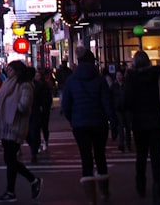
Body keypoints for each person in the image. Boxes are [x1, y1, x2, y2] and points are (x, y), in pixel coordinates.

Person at [0, 60, 42, 203]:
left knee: (10, 158)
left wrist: (8, 104)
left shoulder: (25, 85)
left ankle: (32, 180)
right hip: (5, 125)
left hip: (16, 126)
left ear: (18, 71)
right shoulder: (7, 84)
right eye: (8, 70)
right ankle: (11, 191)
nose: (8, 72)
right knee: (10, 159)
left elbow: (24, 106)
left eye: (11, 70)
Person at [61, 47, 114, 204]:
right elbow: (107, 103)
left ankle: (91, 199)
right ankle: (104, 192)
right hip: (99, 123)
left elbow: (66, 106)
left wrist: (73, 120)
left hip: (80, 124)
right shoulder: (99, 80)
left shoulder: (71, 80)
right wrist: (112, 120)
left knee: (86, 157)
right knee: (100, 155)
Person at [124, 50, 160, 205]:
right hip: (158, 122)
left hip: (140, 123)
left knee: (141, 155)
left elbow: (126, 101)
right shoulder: (158, 76)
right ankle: (158, 189)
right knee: (156, 157)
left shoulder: (132, 79)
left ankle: (141, 184)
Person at [27, 68, 53, 164]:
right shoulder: (30, 85)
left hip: (39, 111)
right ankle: (35, 147)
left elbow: (47, 98)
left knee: (37, 130)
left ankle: (36, 149)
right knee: (32, 132)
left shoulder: (42, 85)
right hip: (34, 111)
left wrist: (44, 108)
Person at [112, 69, 133, 152]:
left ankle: (128, 144)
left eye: (120, 75)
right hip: (118, 109)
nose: (118, 77)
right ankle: (122, 144)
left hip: (126, 108)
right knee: (120, 127)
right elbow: (111, 97)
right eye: (117, 75)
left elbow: (130, 96)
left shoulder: (126, 85)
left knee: (128, 127)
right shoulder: (114, 86)